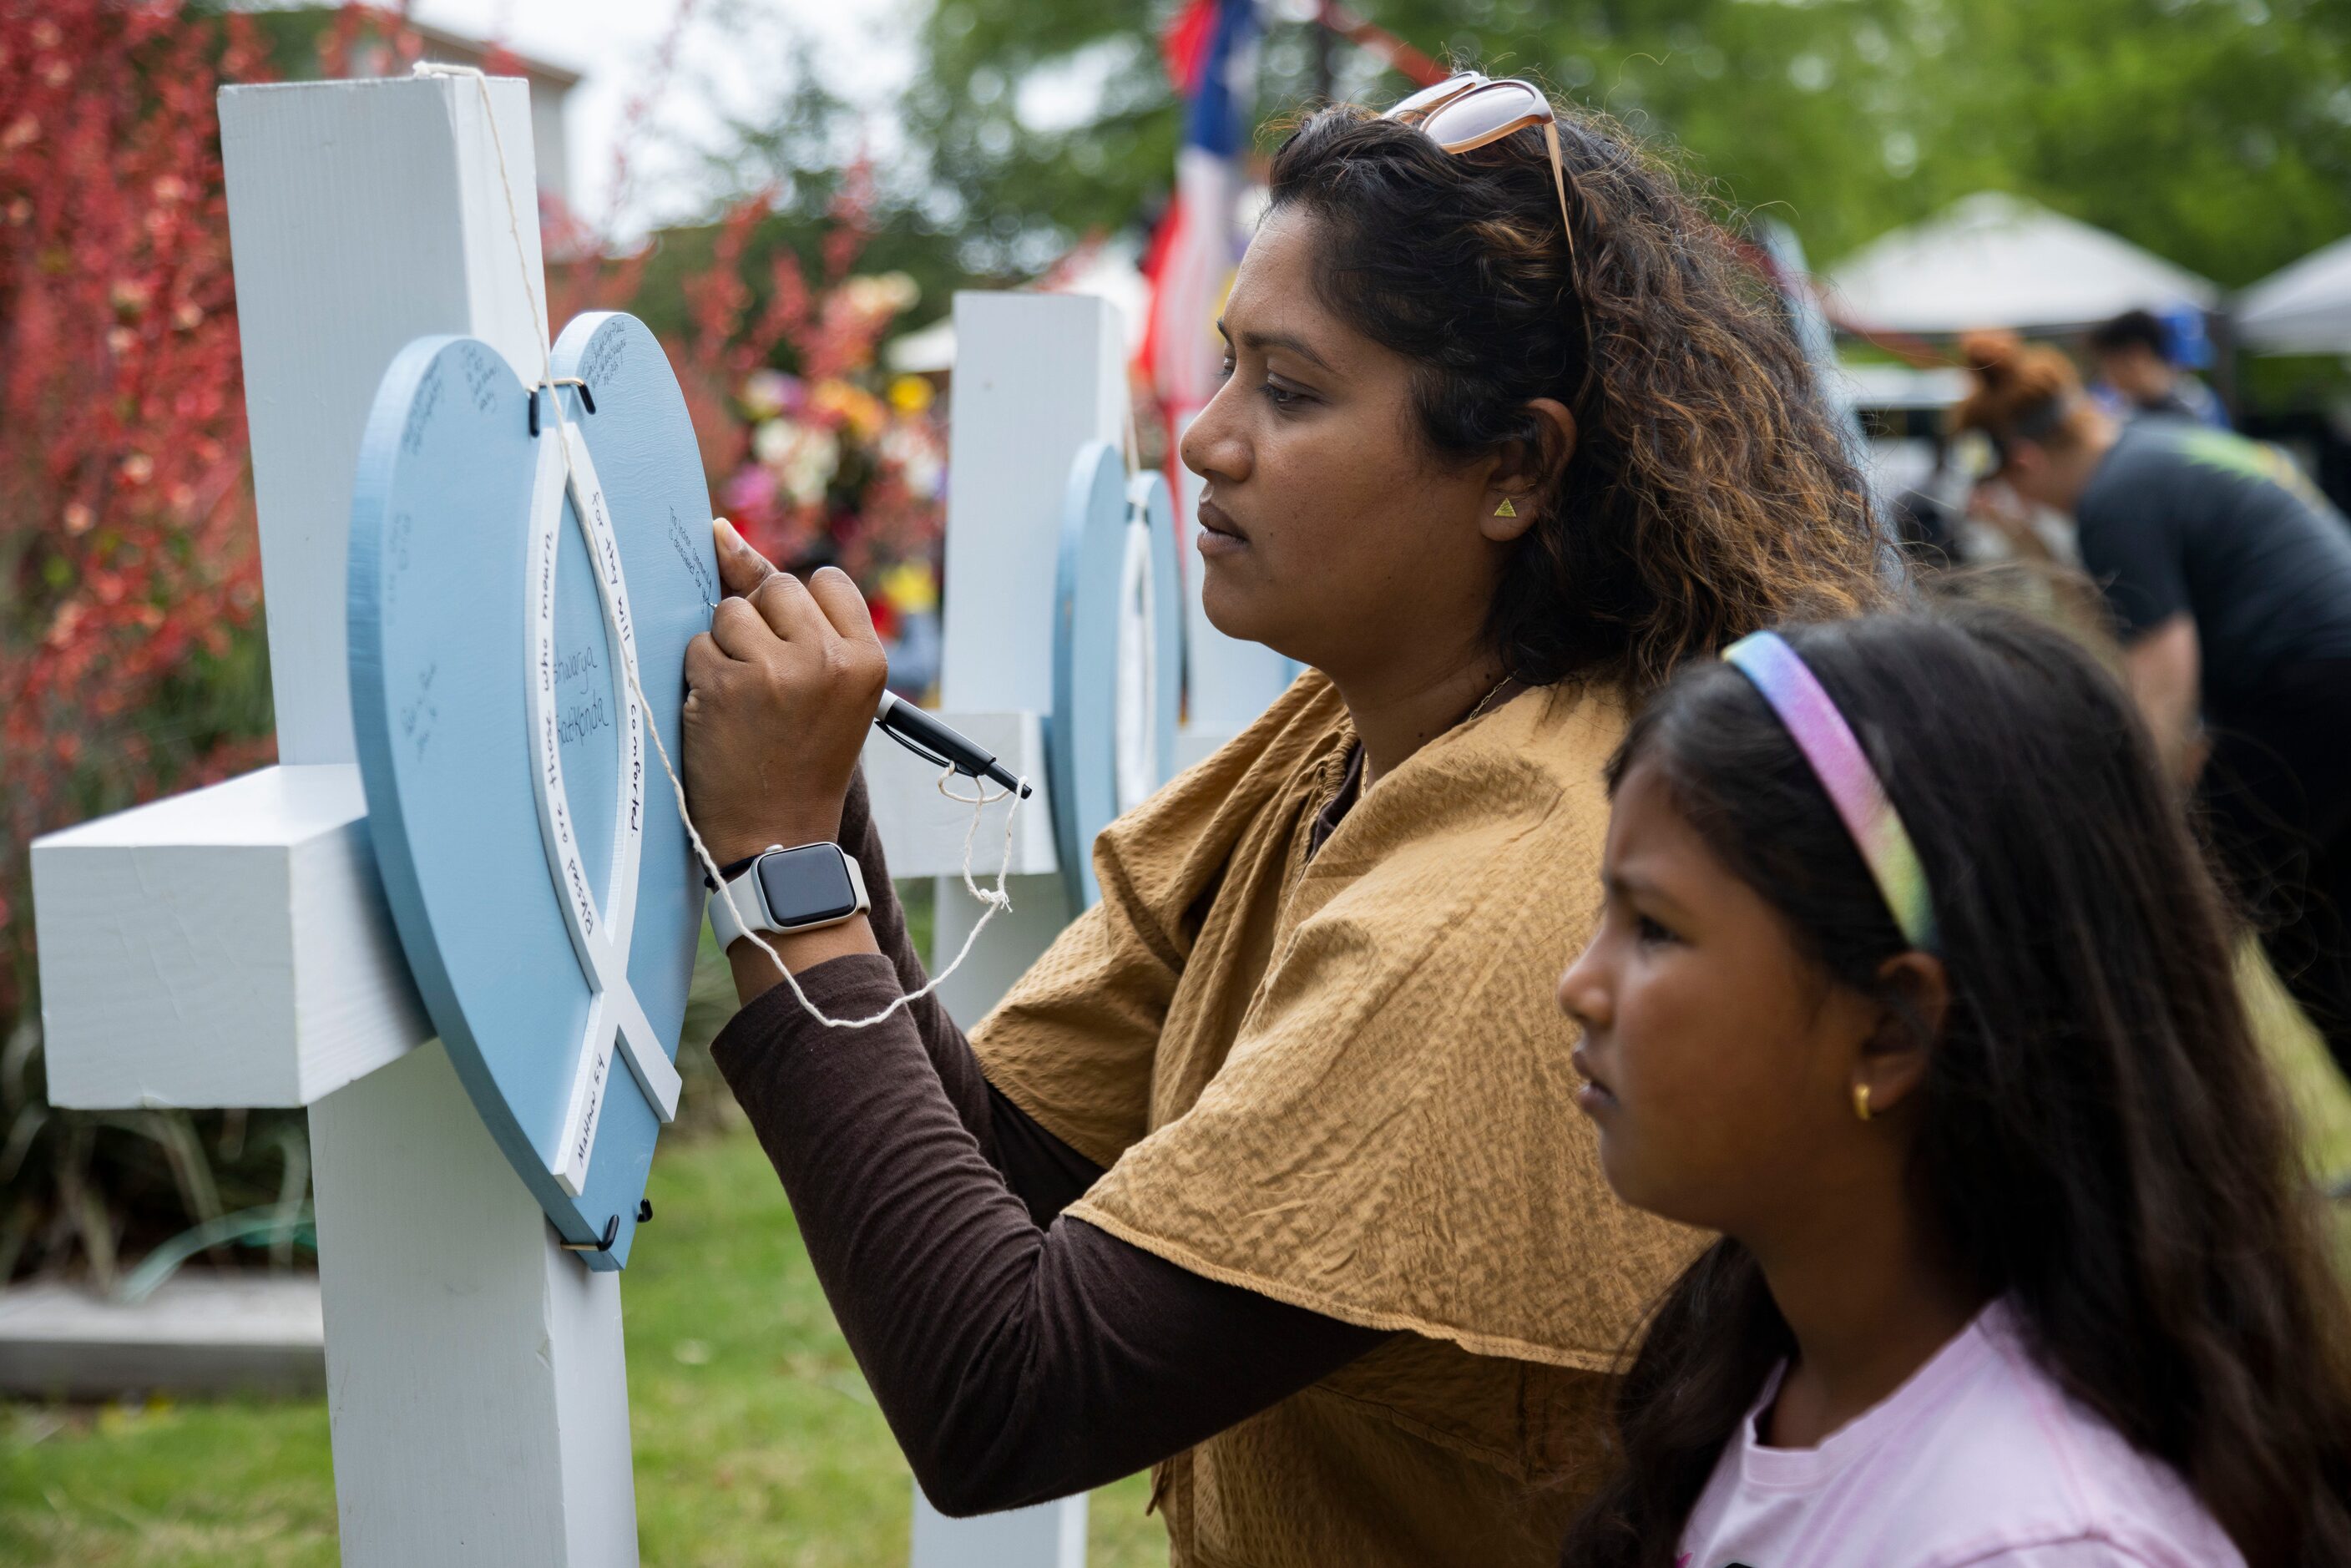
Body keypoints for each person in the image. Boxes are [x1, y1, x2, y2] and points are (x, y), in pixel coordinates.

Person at [679, 76, 1887, 1565]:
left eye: (1293, 391)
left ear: (1516, 465)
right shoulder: (1345, 735)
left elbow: (1007, 1396)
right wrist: (813, 786)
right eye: (1227, 365)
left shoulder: (1514, 880)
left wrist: (783, 873)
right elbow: (1004, 1159)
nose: (1207, 439)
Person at [1556, 607, 2351, 1568]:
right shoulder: (1770, 1373)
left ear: (1891, 1032)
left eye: (1654, 927)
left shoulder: (2039, 1541)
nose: (1578, 986)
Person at [1951, 331, 2351, 1085]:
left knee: (2165, 932)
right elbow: (2124, 615)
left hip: (2310, 696)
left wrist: (2145, 819)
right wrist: (2028, 542)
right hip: (2323, 694)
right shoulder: (2156, 448)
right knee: (2315, 938)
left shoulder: (2117, 499)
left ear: (2022, 465)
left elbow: (2162, 680)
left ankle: (2145, 1145)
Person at [2086, 307, 2229, 429]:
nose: (2105, 376)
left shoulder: (2193, 408)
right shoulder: (2131, 408)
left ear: (2135, 356)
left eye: (2108, 364)